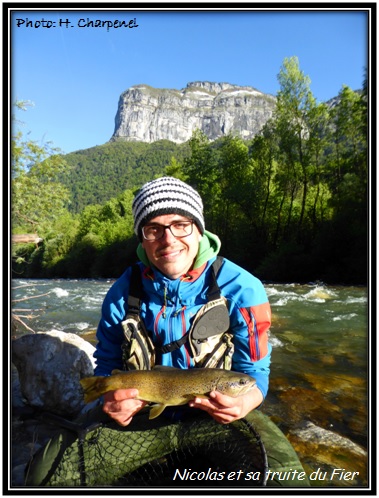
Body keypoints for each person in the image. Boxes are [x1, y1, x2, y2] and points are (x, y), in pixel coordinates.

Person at [93, 176, 272, 426]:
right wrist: (109, 400)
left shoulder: (243, 289)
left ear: (199, 230)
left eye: (181, 225)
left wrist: (245, 402)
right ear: (142, 240)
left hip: (213, 420)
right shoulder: (121, 294)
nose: (168, 239)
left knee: (277, 465)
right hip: (141, 416)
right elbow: (107, 362)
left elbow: (255, 371)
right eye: (153, 229)